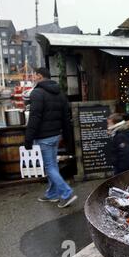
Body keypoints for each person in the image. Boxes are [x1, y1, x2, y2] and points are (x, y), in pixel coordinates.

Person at [25, 67, 77, 208]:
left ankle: (66, 193)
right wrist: (67, 138)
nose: (33, 78)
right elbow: (66, 118)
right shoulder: (59, 93)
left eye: (35, 75)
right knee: (53, 165)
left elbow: (34, 118)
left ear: (40, 76)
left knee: (50, 167)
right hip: (55, 136)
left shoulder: (37, 93)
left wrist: (28, 139)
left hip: (43, 137)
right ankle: (52, 194)